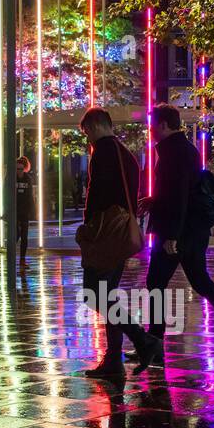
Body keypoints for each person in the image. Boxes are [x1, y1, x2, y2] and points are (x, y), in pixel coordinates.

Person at [140, 103, 214, 361]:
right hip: (190, 229)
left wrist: (172, 236)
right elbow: (177, 193)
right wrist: (154, 200)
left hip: (180, 231)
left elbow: (180, 197)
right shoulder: (181, 149)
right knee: (198, 282)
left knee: (156, 282)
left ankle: (154, 343)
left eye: (153, 125)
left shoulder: (175, 152)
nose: (150, 130)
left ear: (164, 125)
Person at [78, 107, 159, 384]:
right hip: (121, 232)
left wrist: (88, 230)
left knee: (94, 293)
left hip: (104, 234)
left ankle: (140, 339)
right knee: (106, 293)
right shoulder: (127, 154)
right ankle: (113, 358)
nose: (87, 137)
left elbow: (97, 196)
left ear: (96, 125)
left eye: (86, 131)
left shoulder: (102, 152)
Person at [16, 156, 34, 268]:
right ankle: (13, 256)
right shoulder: (11, 178)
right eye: (17, 169)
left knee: (24, 236)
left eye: (21, 169)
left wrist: (32, 210)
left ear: (24, 169)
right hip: (14, 210)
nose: (19, 171)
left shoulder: (28, 179)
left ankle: (22, 259)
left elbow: (30, 195)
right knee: (15, 235)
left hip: (24, 210)